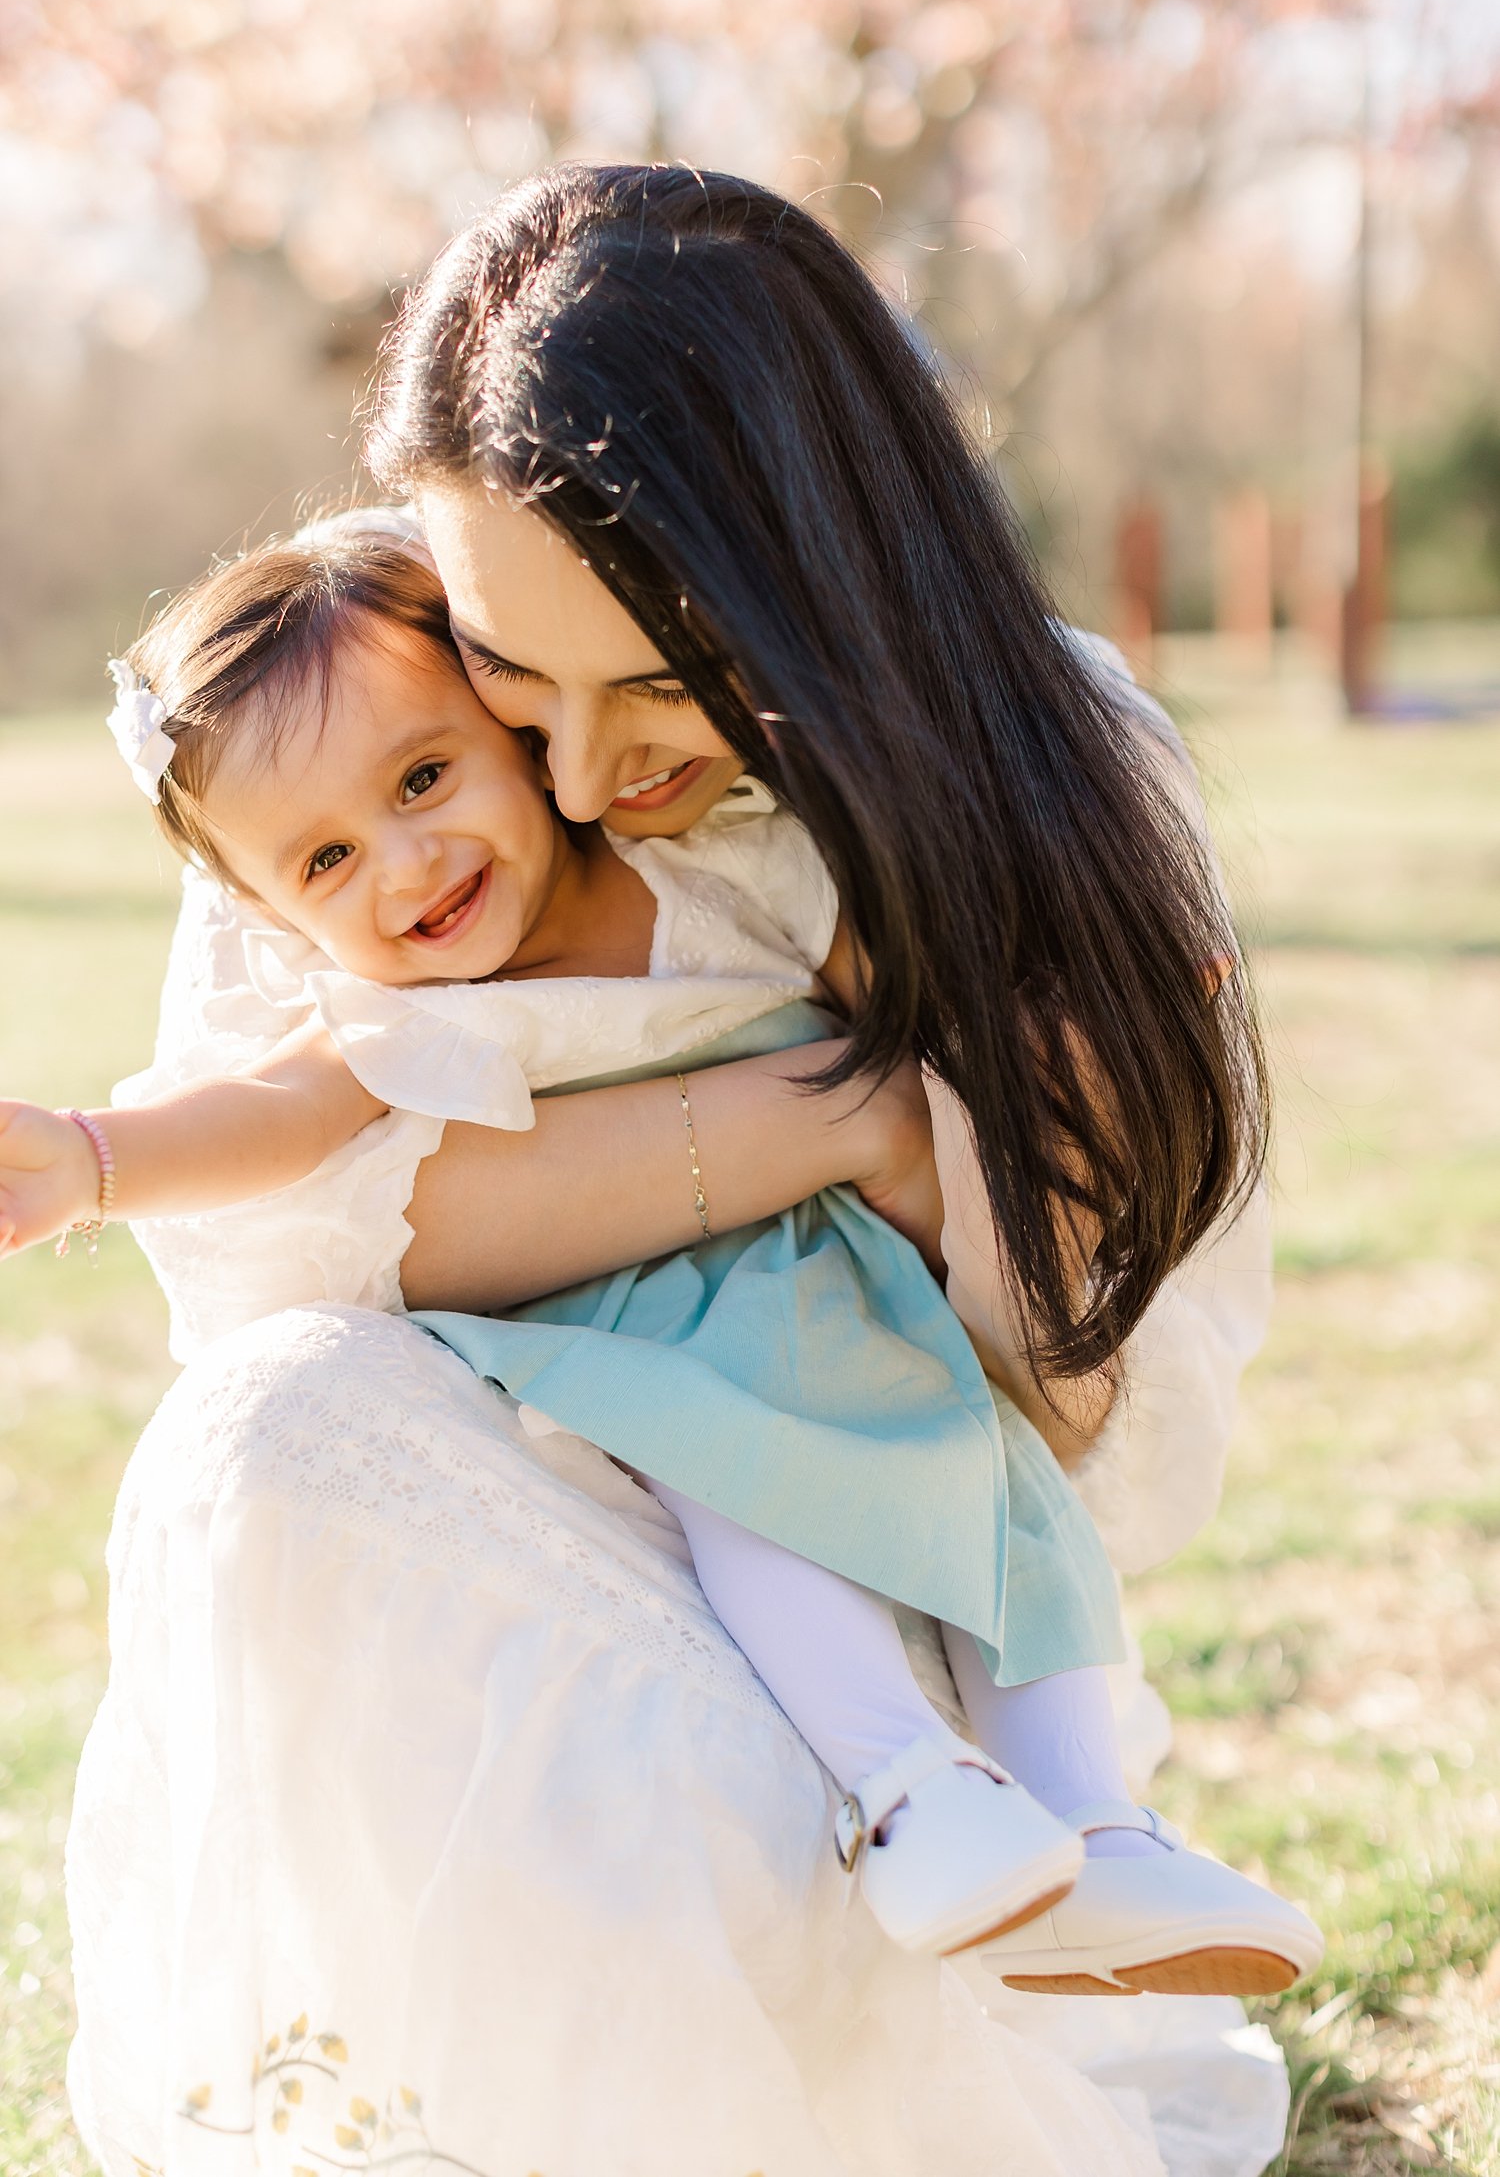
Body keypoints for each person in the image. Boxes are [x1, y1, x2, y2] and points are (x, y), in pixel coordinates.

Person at [59, 164, 1296, 2177]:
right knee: (268, 1432)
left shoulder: (1052, 758)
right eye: (513, 681)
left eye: (658, 682)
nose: (560, 776)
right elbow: (285, 1254)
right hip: (524, 1504)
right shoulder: (350, 686)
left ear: (827, 580)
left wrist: (961, 1144)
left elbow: (1095, 1417)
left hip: (885, 1538)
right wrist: (869, 1109)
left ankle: (1022, 1845)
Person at [2, 528, 1317, 1987]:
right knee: (757, 1495)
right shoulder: (398, 1014)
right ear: (276, 910)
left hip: (853, 1283)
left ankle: (1095, 1828)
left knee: (1011, 1521)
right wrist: (92, 1159)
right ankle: (907, 1794)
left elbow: (909, 978)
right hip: (651, 1343)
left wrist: (1094, 988)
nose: (406, 865)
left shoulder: (715, 877)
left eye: (424, 778)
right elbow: (269, 1114)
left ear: (511, 731)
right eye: (326, 858)